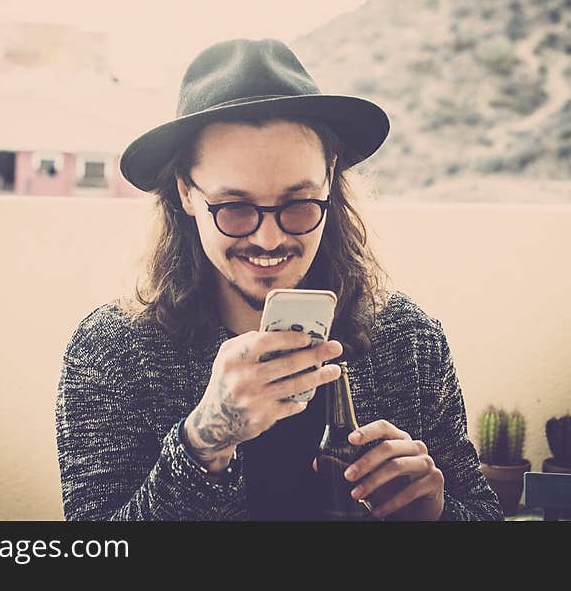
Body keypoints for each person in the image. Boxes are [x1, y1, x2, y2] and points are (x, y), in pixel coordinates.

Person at [55, 38, 503, 521]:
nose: (269, 239)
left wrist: (434, 515)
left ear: (330, 182)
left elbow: (481, 511)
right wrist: (205, 441)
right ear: (186, 193)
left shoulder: (408, 340)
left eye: (298, 203)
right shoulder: (112, 353)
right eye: (236, 208)